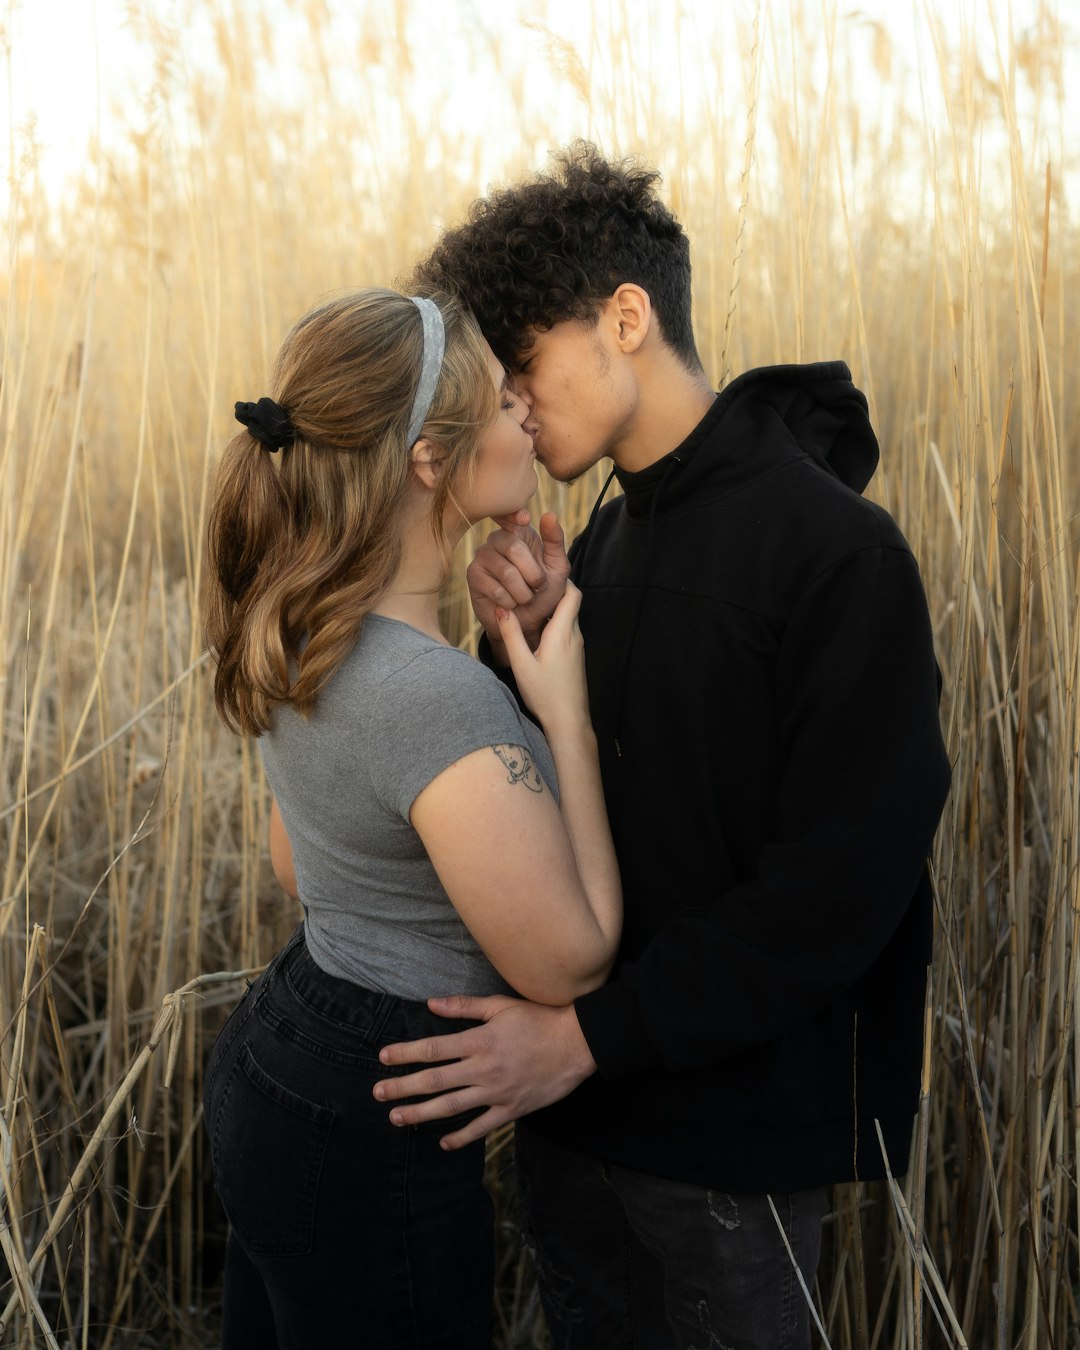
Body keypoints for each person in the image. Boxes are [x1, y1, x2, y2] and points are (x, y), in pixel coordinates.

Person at [374, 145, 953, 1349]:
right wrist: (516, 652)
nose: (514, 412)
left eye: (523, 367)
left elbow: (835, 897)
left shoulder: (840, 557)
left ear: (625, 317)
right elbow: (572, 817)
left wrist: (584, 1040)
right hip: (573, 1131)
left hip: (723, 1157)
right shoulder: (603, 550)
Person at [200, 287, 622, 1349]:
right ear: (431, 459)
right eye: (497, 401)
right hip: (371, 1115)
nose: (526, 412)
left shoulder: (305, 630)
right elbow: (571, 966)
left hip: (282, 1052)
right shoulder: (438, 697)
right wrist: (563, 718)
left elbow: (300, 868)